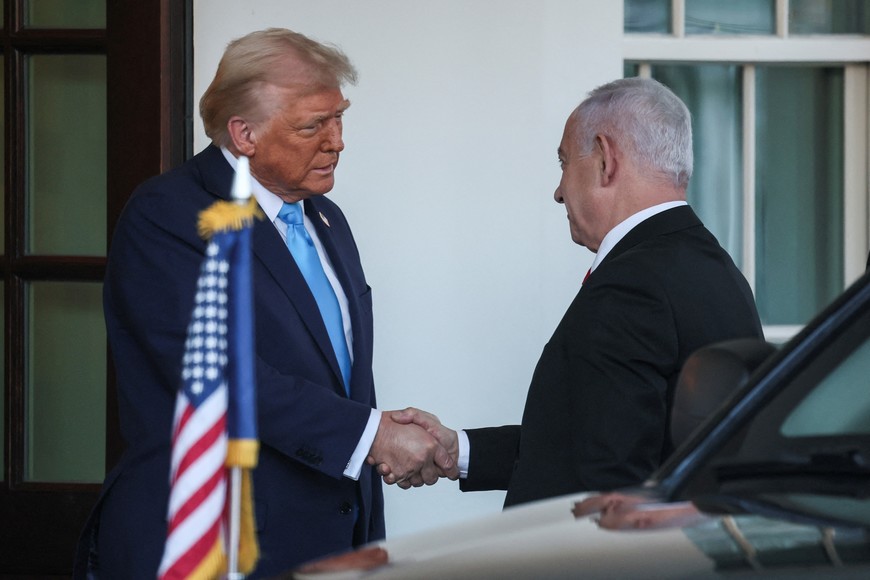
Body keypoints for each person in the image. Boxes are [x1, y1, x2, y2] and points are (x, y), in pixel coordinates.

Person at [74, 28, 454, 579]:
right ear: (244, 133)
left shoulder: (326, 219)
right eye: (312, 126)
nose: (337, 140)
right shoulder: (169, 215)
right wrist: (372, 436)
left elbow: (337, 377)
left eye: (339, 117)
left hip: (331, 543)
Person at [381, 77, 763, 507]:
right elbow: (597, 439)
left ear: (605, 159)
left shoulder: (631, 286)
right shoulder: (718, 270)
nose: (559, 191)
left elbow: (600, 480)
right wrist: (458, 452)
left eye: (564, 162)